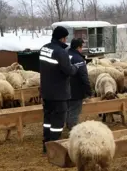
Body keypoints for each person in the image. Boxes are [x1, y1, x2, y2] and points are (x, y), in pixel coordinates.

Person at [39, 26, 82, 154]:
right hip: (58, 93)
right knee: (58, 122)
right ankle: (54, 148)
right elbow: (69, 70)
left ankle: (46, 145)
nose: (66, 41)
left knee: (48, 120)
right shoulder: (61, 52)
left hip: (46, 91)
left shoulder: (44, 48)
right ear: (62, 38)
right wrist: (76, 67)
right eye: (65, 38)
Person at [66, 38, 92, 130]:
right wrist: (89, 91)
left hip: (65, 89)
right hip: (76, 91)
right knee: (74, 111)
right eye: (82, 47)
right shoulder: (78, 59)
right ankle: (73, 130)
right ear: (78, 47)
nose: (82, 49)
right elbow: (83, 76)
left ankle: (68, 126)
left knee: (68, 110)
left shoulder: (65, 55)